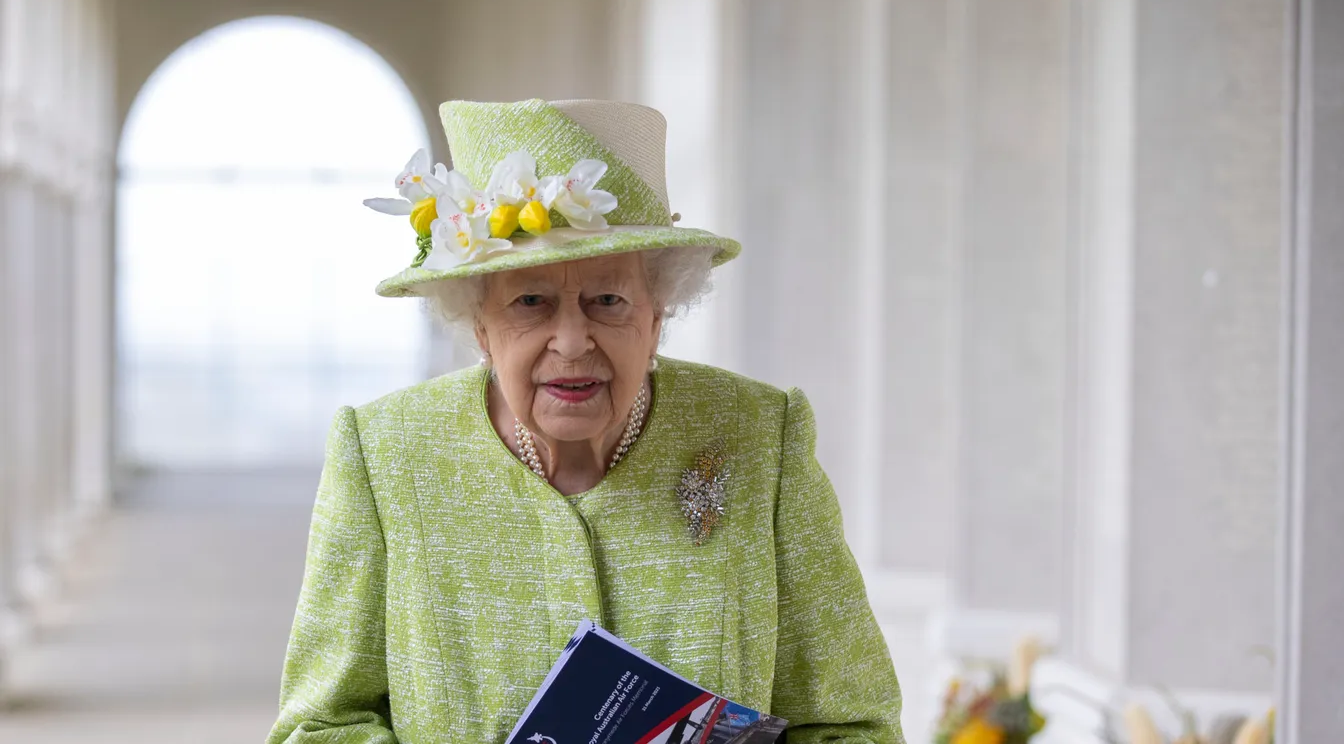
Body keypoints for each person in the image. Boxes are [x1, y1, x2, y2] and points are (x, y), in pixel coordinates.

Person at [267, 99, 905, 743]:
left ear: (658, 315)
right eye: (531, 301)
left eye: (608, 299)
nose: (571, 341)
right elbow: (322, 725)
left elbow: (853, 723)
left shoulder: (761, 434)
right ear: (480, 324)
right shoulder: (386, 453)